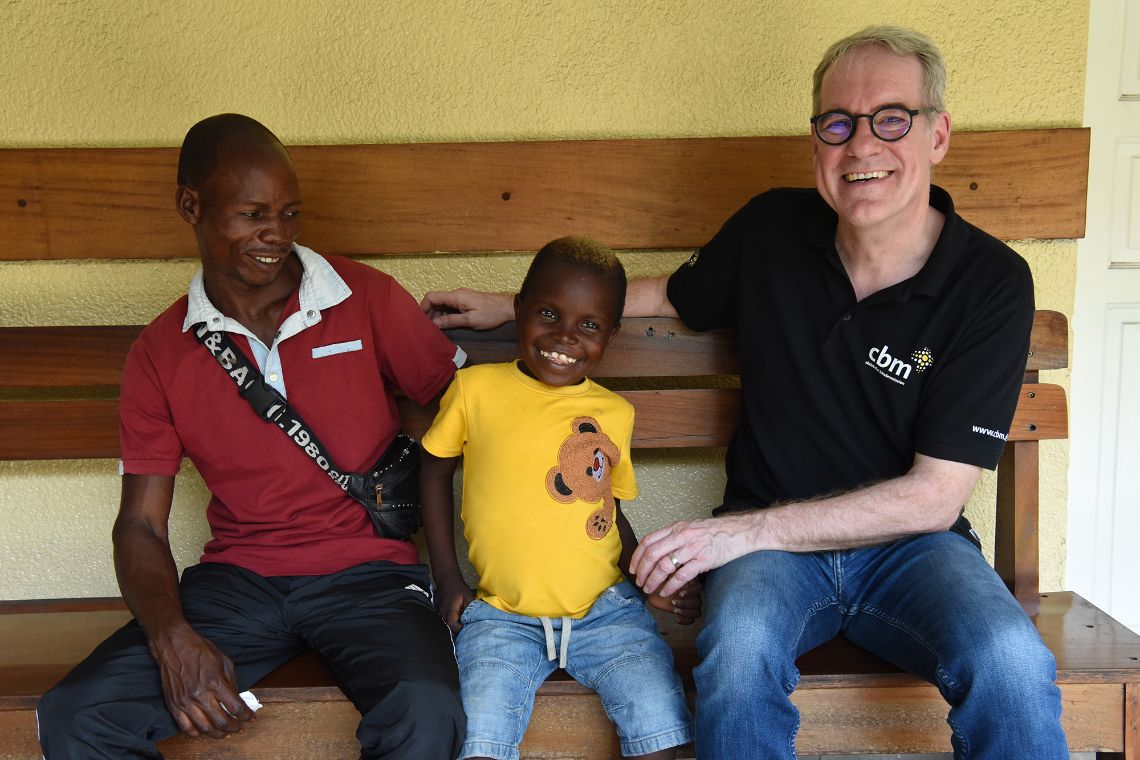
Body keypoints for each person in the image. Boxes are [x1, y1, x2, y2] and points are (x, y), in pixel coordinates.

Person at [420, 26, 1068, 760]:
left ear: (938, 134)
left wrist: (737, 534)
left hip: (913, 552)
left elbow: (933, 499)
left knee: (1012, 661)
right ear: (816, 140)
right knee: (737, 651)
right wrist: (512, 307)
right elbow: (668, 295)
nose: (861, 145)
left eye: (892, 119)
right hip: (772, 560)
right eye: (837, 123)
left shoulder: (989, 283)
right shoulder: (772, 230)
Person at [37, 113, 467, 759]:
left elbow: (477, 415)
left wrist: (465, 570)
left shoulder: (365, 298)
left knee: (426, 708)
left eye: (289, 214)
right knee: (76, 715)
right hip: (239, 583)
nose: (278, 235)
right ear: (191, 206)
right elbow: (141, 525)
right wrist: (171, 637)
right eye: (253, 215)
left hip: (369, 576)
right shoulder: (161, 352)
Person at [420, 237, 700, 760]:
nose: (564, 336)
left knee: (657, 714)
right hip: (502, 616)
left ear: (611, 335)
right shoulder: (475, 390)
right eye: (548, 313)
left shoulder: (614, 413)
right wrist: (448, 576)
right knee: (478, 731)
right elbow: (433, 473)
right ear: (519, 306)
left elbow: (609, 509)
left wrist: (650, 580)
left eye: (589, 325)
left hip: (607, 613)